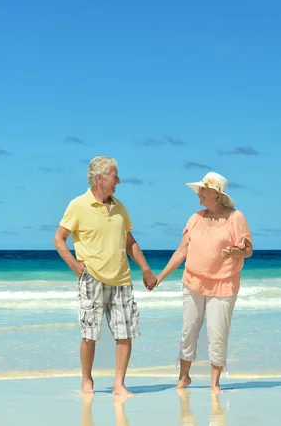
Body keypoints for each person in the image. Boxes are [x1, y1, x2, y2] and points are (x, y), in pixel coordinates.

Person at [53, 156, 157, 396]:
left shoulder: (120, 207)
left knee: (125, 334)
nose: (118, 180)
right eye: (114, 175)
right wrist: (74, 265)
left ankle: (119, 384)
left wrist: (146, 269)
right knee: (90, 334)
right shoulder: (78, 205)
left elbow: (129, 242)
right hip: (92, 278)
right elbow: (59, 238)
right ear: (99, 178)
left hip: (122, 279)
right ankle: (86, 381)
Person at [156, 171, 253, 393]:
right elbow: (182, 251)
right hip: (193, 281)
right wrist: (160, 277)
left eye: (203, 189)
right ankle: (183, 378)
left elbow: (248, 250)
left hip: (224, 283)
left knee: (217, 333)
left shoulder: (236, 218)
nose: (199, 193)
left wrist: (235, 252)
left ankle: (214, 383)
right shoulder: (195, 218)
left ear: (216, 194)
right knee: (189, 329)